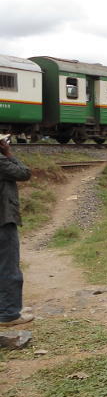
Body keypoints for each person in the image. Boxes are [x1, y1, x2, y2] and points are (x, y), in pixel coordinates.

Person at [0, 136, 34, 327]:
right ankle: (9, 314)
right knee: (8, 266)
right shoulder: (2, 161)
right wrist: (8, 153)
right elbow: (24, 173)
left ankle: (7, 307)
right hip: (3, 220)